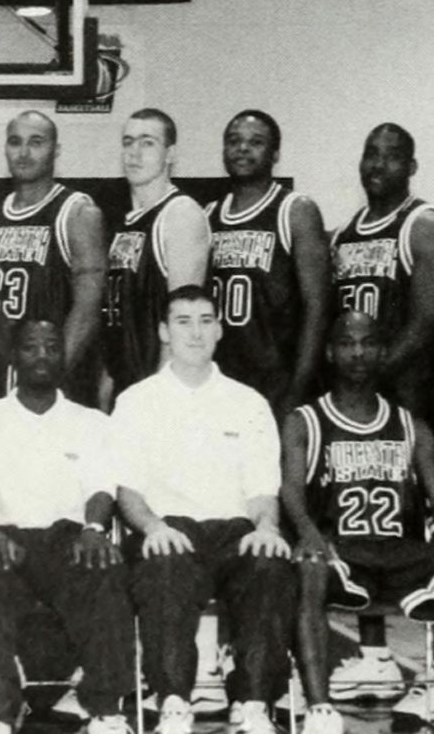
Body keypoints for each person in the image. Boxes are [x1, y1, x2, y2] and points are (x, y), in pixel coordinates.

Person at [113, 285, 295, 734]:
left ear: (219, 329)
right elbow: (127, 490)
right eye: (183, 322)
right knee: (164, 566)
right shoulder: (137, 401)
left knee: (270, 564)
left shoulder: (248, 402)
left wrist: (267, 526)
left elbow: (261, 489)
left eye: (204, 321)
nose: (195, 332)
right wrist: (152, 526)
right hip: (171, 528)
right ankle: (174, 700)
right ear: (163, 332)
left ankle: (254, 702)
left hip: (235, 530)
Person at [0, 318, 134, 734]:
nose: (41, 356)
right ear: (13, 356)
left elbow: (101, 488)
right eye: (30, 347)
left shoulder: (92, 422)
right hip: (5, 539)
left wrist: (93, 528)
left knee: (105, 570)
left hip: (69, 540)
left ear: (64, 356)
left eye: (51, 347)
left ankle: (105, 707)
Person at [281, 311, 434, 734]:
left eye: (369, 342)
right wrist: (307, 533)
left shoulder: (412, 426)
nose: (358, 351)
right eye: (347, 343)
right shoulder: (306, 421)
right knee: (310, 566)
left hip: (400, 555)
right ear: (330, 351)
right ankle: (320, 709)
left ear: (384, 350)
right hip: (341, 552)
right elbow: (291, 491)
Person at [328, 123, 434, 701]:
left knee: (419, 535)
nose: (377, 164)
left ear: (412, 165)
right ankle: (375, 657)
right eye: (370, 153)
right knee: (365, 530)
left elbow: (427, 322)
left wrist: (371, 378)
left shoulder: (423, 226)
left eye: (391, 156)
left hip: (411, 402)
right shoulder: (346, 234)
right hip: (361, 407)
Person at [0, 110, 106, 407]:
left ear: (55, 150)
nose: (24, 152)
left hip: (54, 381)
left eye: (36, 142)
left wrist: (49, 378)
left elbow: (87, 310)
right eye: (15, 142)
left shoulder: (76, 213)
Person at [205, 110, 330, 417]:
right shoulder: (208, 215)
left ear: (275, 154)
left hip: (276, 381)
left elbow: (318, 308)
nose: (243, 148)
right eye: (234, 141)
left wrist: (297, 389)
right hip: (221, 382)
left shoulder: (295, 211)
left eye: (255, 142)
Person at [102, 108, 211, 408]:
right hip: (125, 386)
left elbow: (183, 322)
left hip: (160, 394)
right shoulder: (126, 223)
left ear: (170, 154)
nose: (134, 153)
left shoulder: (180, 214)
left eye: (147, 142)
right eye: (128, 142)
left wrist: (162, 402)